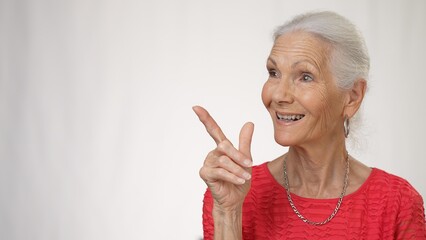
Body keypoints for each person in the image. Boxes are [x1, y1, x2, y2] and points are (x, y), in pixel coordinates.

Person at [192, 11, 426, 239]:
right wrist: (228, 214)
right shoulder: (231, 194)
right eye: (273, 73)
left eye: (305, 76)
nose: (279, 95)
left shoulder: (397, 203)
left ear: (352, 96)